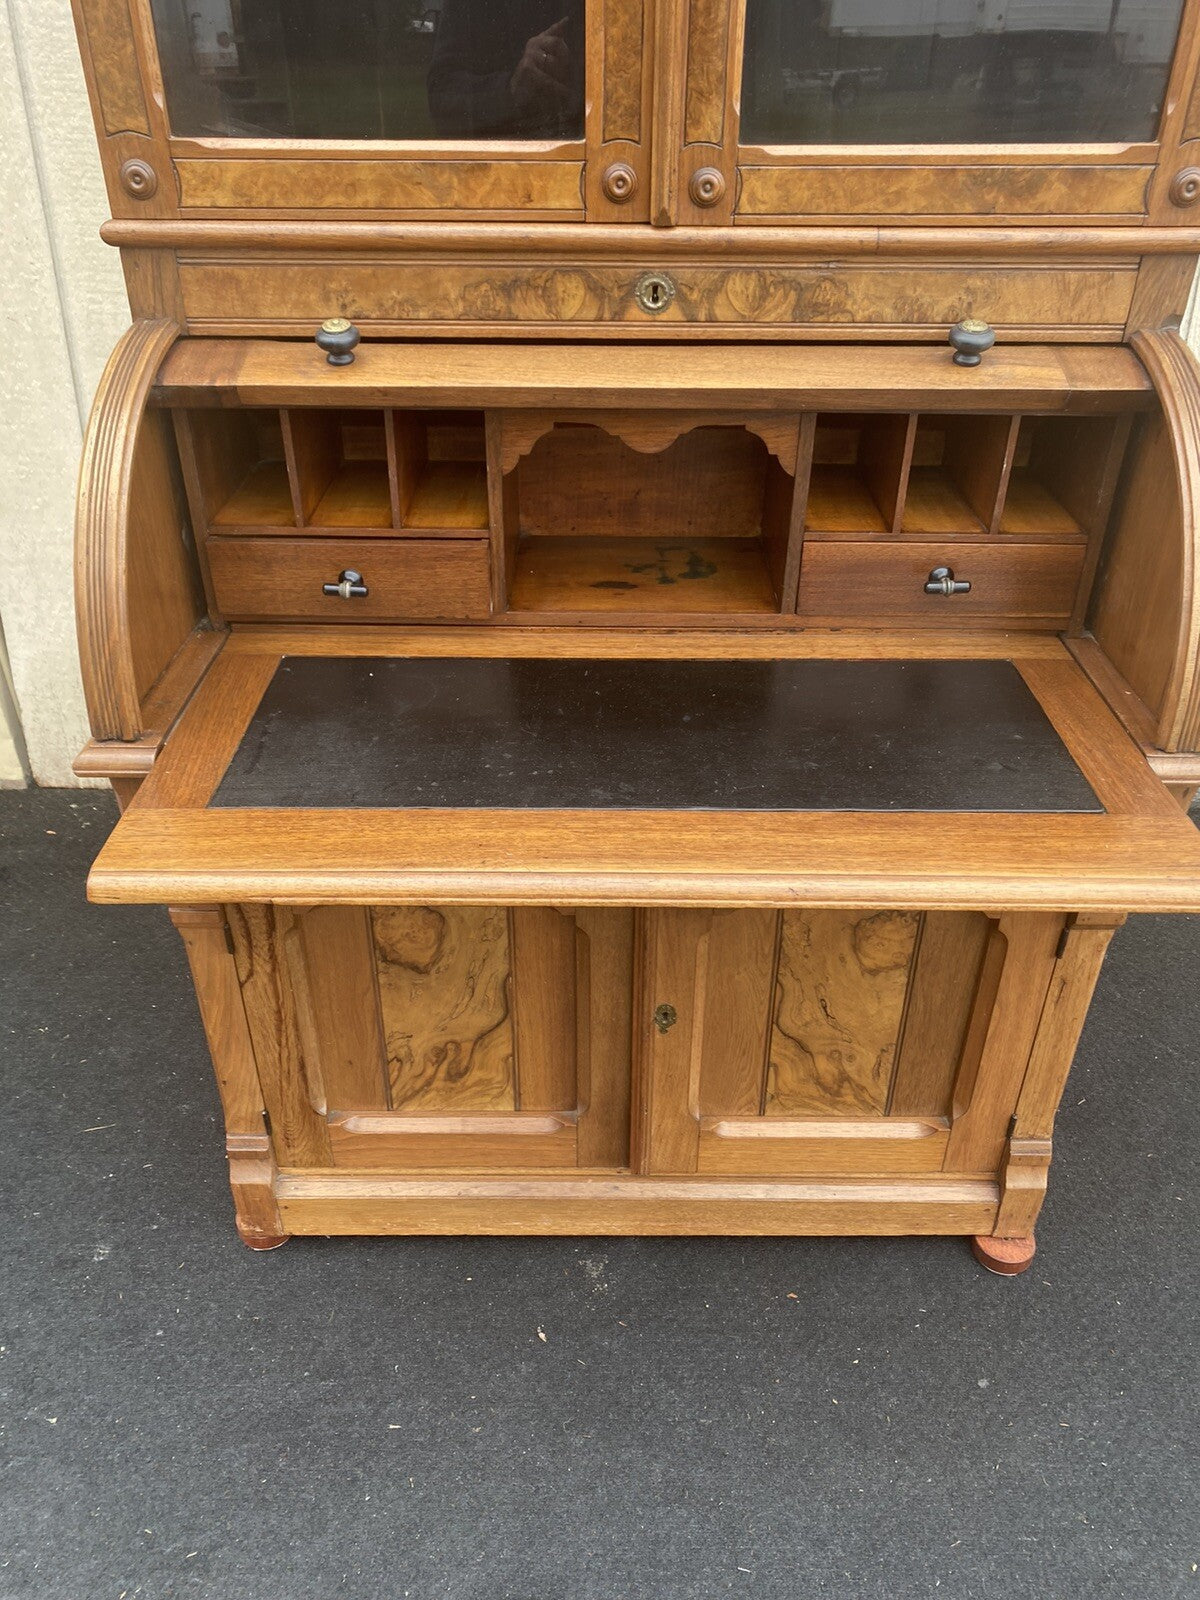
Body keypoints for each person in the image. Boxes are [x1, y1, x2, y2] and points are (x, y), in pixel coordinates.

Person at [428, 0, 585, 138]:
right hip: (499, 160)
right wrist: (511, 88)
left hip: (585, 150)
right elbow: (442, 100)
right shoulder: (472, 7)